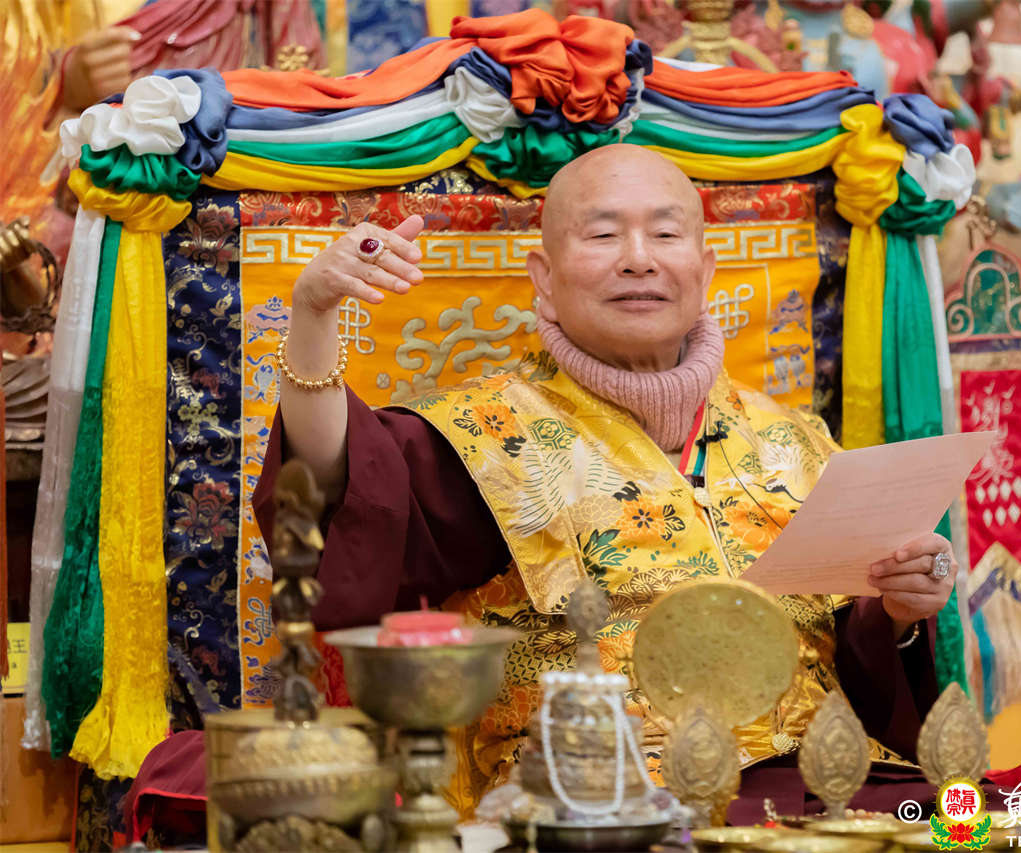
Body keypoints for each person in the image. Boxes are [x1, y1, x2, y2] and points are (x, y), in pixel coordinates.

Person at [253, 144, 959, 818]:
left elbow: (853, 657)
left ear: (706, 268)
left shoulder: (795, 440)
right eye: (603, 235)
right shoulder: (480, 433)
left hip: (824, 784)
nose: (639, 259)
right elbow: (331, 486)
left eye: (665, 234)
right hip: (596, 794)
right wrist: (313, 313)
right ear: (544, 275)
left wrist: (898, 612)